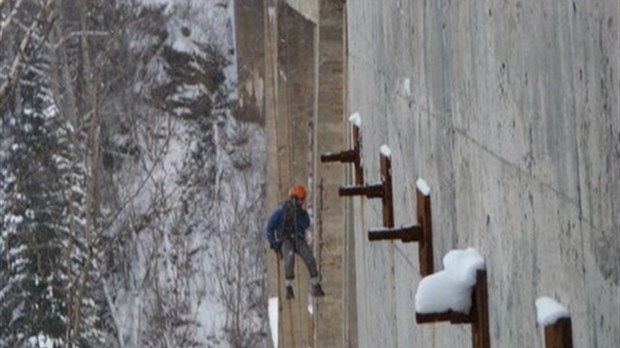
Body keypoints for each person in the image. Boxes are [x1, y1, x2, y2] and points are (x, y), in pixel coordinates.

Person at [265, 183, 325, 300]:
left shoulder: (302, 214)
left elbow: (306, 224)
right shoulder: (281, 213)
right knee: (289, 256)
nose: (301, 202)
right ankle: (288, 286)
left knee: (309, 257)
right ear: (294, 198)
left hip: (298, 238)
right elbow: (269, 228)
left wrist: (299, 215)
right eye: (300, 200)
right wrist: (273, 243)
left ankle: (315, 283)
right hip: (285, 239)